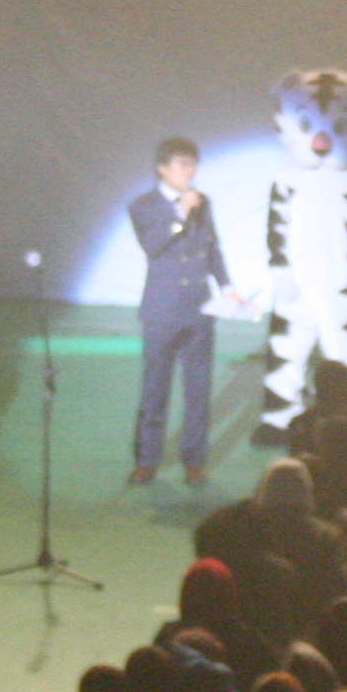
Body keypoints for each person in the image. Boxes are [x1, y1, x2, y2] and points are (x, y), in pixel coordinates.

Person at [130, 136, 238, 488]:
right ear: (162, 168)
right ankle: (146, 460)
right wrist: (180, 214)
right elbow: (152, 246)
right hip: (161, 312)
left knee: (198, 391)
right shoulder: (143, 205)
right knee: (155, 390)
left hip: (198, 310)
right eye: (182, 164)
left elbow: (212, 247)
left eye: (193, 164)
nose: (189, 172)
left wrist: (227, 286)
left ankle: (194, 461)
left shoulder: (203, 203)